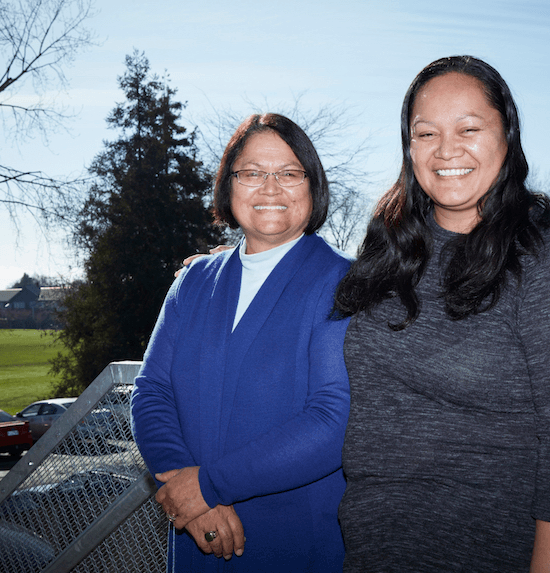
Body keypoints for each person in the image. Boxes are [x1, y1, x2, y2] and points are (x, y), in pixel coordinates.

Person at [333, 56, 550, 572]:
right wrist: (239, 261)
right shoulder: (390, 250)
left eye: (469, 128)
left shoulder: (549, 266)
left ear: (507, 135)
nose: (446, 150)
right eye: (426, 133)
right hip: (379, 553)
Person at [132, 113, 352, 572]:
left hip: (292, 543)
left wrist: (209, 486)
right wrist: (186, 491)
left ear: (313, 186)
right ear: (228, 185)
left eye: (290, 173)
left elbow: (333, 419)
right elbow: (152, 391)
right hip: (195, 536)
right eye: (252, 173)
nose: (270, 187)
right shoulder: (193, 282)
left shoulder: (344, 283)